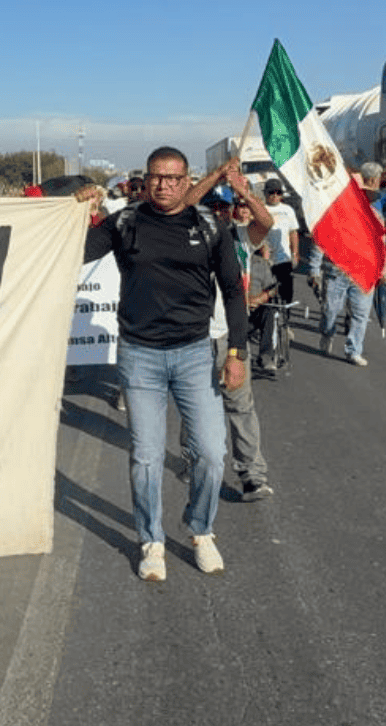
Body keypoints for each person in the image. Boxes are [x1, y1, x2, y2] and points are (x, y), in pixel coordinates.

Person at [84, 146, 248, 582]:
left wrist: (237, 353)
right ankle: (151, 540)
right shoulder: (125, 223)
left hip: (195, 354)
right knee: (146, 457)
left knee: (212, 454)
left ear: (186, 179)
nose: (165, 185)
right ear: (146, 178)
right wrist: (74, 210)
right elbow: (73, 250)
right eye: (157, 177)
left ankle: (200, 530)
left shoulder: (210, 225)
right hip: (140, 356)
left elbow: (233, 291)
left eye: (174, 178)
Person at [212, 186, 275, 500]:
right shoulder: (184, 237)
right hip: (193, 340)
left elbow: (266, 222)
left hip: (230, 336)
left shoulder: (240, 239)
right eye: (216, 207)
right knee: (198, 408)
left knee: (241, 407)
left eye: (229, 206)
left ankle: (252, 476)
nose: (222, 212)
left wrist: (245, 193)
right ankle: (193, 461)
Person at [317, 162, 383, 367]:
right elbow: (321, 241)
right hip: (338, 271)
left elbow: (381, 246)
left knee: (360, 315)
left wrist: (383, 271)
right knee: (330, 311)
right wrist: (313, 267)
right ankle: (327, 332)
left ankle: (353, 351)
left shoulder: (376, 218)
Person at [261, 181, 301, 307]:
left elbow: (293, 232)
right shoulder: (261, 209)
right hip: (265, 260)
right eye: (271, 192)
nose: (274, 195)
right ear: (265, 193)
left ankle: (285, 322)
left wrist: (295, 253)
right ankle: (269, 320)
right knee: (266, 292)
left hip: (283, 258)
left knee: (286, 292)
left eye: (278, 192)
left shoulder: (288, 210)